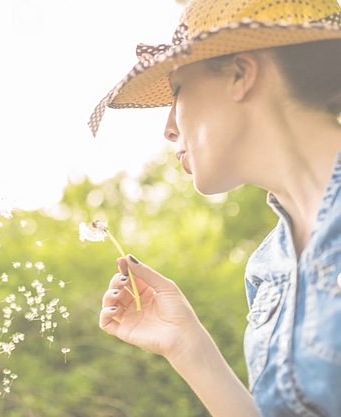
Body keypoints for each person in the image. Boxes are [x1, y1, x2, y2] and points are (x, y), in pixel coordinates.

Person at [88, 0, 341, 416]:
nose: (168, 127)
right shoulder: (268, 268)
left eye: (178, 90)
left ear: (241, 74)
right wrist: (187, 345)